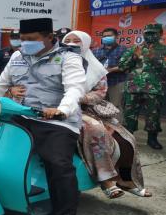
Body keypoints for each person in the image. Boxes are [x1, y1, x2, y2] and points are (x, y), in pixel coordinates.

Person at [0, 18, 86, 215]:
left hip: (56, 121)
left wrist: (62, 110)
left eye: (31, 40)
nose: (24, 44)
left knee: (58, 164)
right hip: (23, 115)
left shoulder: (69, 58)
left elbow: (75, 88)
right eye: (22, 39)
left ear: (49, 37)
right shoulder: (17, 57)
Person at [62, 30, 151, 199]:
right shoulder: (56, 63)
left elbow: (101, 92)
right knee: (96, 129)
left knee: (125, 137)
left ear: (86, 44)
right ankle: (106, 179)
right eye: (68, 40)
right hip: (64, 109)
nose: (72, 44)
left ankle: (125, 179)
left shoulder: (95, 67)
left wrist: (82, 97)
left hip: (87, 108)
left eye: (77, 40)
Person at [119, 24, 166, 150]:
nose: (150, 36)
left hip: (154, 89)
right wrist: (134, 57)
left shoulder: (164, 49)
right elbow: (122, 66)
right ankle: (128, 138)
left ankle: (152, 139)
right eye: (147, 33)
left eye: (153, 33)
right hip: (133, 87)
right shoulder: (135, 48)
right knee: (129, 114)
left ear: (160, 34)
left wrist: (155, 59)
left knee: (153, 115)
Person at [93, 28, 128, 122]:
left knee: (115, 106)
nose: (106, 38)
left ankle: (117, 129)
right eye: (104, 36)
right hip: (100, 83)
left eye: (109, 36)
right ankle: (102, 127)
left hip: (116, 82)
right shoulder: (96, 51)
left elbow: (126, 66)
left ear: (116, 37)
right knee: (99, 106)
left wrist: (110, 70)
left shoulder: (123, 50)